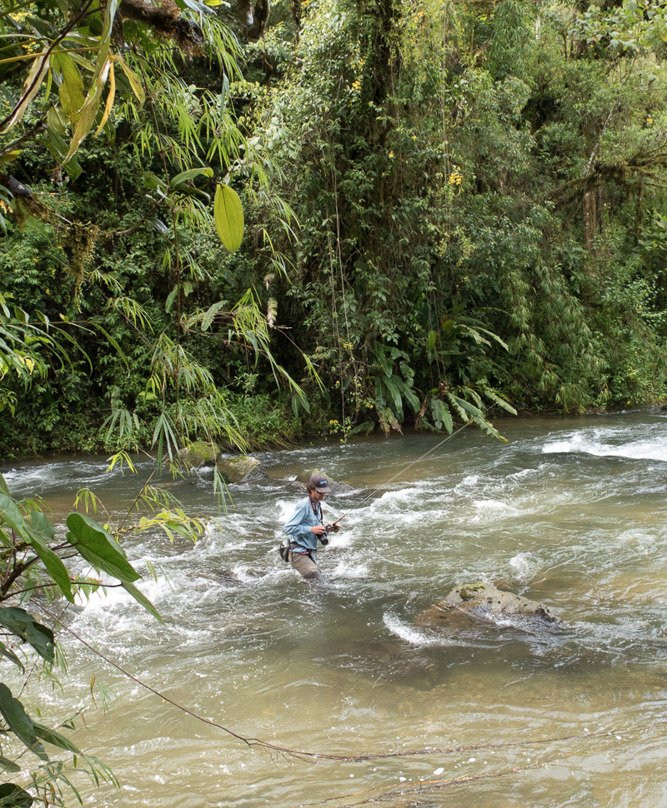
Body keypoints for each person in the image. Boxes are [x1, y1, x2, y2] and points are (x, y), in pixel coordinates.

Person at [283, 474, 340, 583]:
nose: (323, 495)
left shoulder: (317, 504)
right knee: (320, 585)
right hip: (297, 552)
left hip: (308, 552)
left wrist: (329, 528)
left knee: (320, 583)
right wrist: (310, 529)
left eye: (324, 492)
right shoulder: (304, 505)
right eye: (320, 492)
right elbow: (288, 527)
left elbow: (316, 527)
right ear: (311, 490)